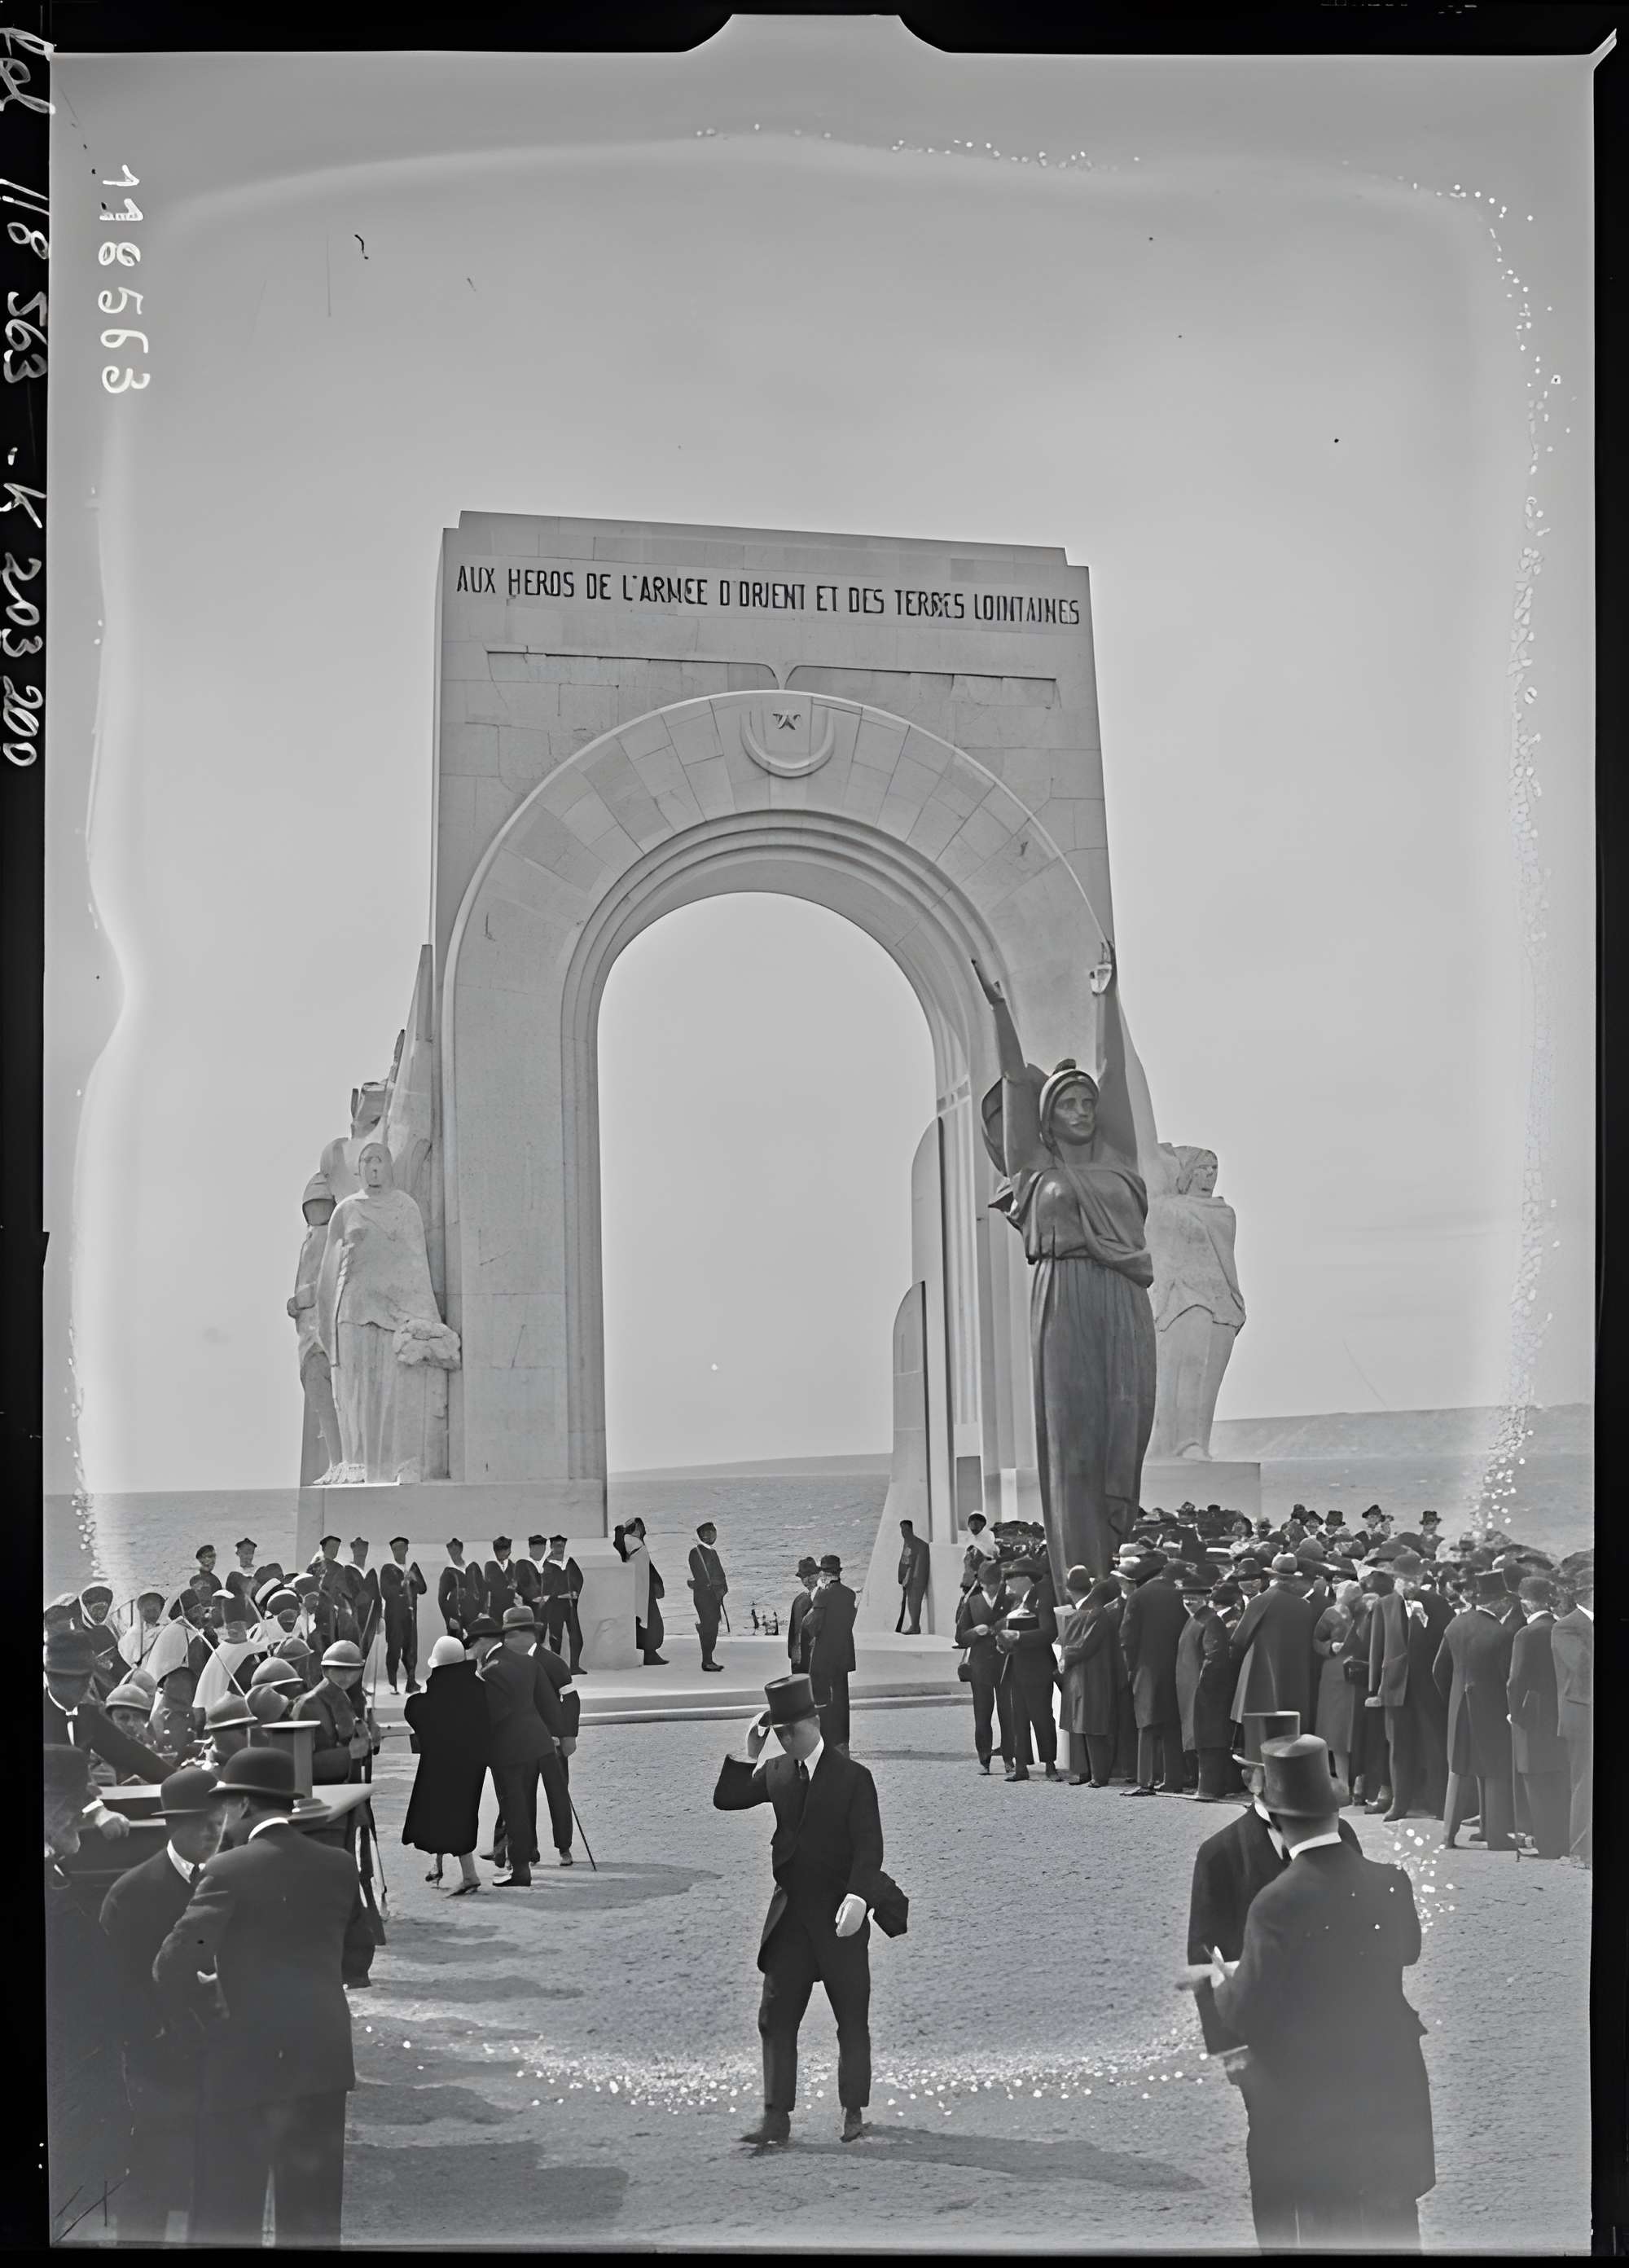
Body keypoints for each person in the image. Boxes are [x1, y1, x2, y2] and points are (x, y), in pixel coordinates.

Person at [1185, 1734, 1434, 2250]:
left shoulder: (1274, 1904)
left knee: (1325, 2216)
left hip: (1308, 2082)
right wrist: (1233, 2058)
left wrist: (1227, 1981)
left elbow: (1237, 1996)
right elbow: (1401, 1949)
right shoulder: (1391, 1880)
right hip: (1378, 2071)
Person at [973, 945, 1156, 1580]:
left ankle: (1120, 1558)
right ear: (1048, 1120)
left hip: (1123, 1302)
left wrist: (1106, 998)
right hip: (1061, 1300)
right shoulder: (1034, 1171)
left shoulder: (1120, 1161)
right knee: (1072, 1441)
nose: (1080, 1111)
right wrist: (999, 1012)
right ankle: (1080, 1578)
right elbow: (1017, 1085)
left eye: (1086, 1104)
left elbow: (1115, 1074)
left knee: (1121, 1432)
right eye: (1067, 1105)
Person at [154, 1747, 375, 2245]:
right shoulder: (337, 1864)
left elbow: (174, 1960)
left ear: (245, 1806)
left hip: (244, 2060)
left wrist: (203, 2007)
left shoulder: (228, 1870)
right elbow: (359, 1951)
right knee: (314, 2213)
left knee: (230, 2208)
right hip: (321, 2055)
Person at [713, 1673, 887, 2147]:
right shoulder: (776, 1771)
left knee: (850, 2016)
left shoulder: (854, 1777)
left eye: (781, 1734)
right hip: (790, 1918)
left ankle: (853, 2108)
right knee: (775, 2015)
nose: (780, 1741)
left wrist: (859, 1897)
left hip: (838, 1917)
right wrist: (747, 1753)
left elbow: (869, 1850)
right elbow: (726, 1800)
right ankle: (776, 2117)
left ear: (799, 1730)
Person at [98, 1765, 227, 2240]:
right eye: (201, 1823)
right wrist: (158, 2034)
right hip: (162, 2057)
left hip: (224, 2048)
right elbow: (118, 1984)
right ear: (173, 1824)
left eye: (219, 1820)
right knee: (153, 2173)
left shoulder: (233, 1876)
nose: (214, 1831)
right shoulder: (132, 1893)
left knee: (216, 2181)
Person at [45, 1747, 135, 2244]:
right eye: (73, 1813)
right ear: (53, 1812)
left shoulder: (54, 1868)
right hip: (68, 2060)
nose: (78, 1823)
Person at [481, 1604, 569, 1886]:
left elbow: (562, 1703)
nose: (510, 1641)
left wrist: (565, 1735)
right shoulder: (501, 1664)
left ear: (529, 1635)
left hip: (546, 1744)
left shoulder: (550, 1662)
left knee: (556, 1795)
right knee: (519, 1801)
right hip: (529, 1745)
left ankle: (562, 1846)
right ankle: (517, 1852)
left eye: (514, 1635)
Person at [1434, 1568, 1517, 1852]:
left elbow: (1438, 1670)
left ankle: (1448, 1835)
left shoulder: (1455, 1625)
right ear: (1496, 1601)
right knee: (1492, 1768)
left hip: (1458, 1706)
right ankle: (1494, 1835)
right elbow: (1508, 1679)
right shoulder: (1501, 1633)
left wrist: (1452, 1698)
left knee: (1457, 1770)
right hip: (1491, 1708)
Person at [404, 1633, 492, 1892]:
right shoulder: (478, 1688)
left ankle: (470, 1876)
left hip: (440, 1766)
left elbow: (415, 1711)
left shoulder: (435, 1694)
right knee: (455, 1814)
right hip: (471, 1765)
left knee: (447, 1817)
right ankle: (438, 1865)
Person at [44, 1624, 168, 1784]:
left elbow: (131, 1753)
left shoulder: (87, 1715)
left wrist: (179, 1779)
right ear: (52, 1677)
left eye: (88, 1676)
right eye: (78, 1677)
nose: (86, 1684)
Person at [1505, 1575, 1568, 1859]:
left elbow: (1515, 1681)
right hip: (1560, 1711)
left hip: (1532, 1714)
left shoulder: (1525, 1635)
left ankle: (1546, 1843)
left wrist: (1513, 1713)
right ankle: (1563, 1840)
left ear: (1526, 1603)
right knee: (1558, 1777)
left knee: (1535, 1779)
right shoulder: (1560, 1628)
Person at [1227, 1552, 1319, 1732]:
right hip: (1295, 1682)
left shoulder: (1260, 1602)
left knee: (1258, 1742)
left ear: (1271, 1576)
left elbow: (1238, 1642)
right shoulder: (1304, 1606)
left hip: (1260, 1681)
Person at [1118, 1550, 1185, 1797]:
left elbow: (1127, 1637)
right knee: (1172, 1725)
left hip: (1147, 1667)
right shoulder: (1178, 1594)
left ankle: (1145, 1780)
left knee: (1146, 1726)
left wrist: (1131, 1666)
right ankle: (1173, 1778)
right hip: (1176, 1666)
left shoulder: (1139, 1596)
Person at [995, 1558, 1060, 1781]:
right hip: (1016, 1665)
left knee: (1042, 1716)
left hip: (1038, 1667)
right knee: (1018, 1718)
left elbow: (1049, 1632)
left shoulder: (1041, 1597)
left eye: (1011, 1578)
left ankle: (1050, 1764)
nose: (1008, 1583)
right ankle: (1021, 1765)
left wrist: (1019, 1636)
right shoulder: (1015, 1601)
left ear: (1024, 1579)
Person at [1056, 1571, 1122, 1787]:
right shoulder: (1092, 1611)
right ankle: (1087, 1772)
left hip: (1090, 1675)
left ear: (1068, 1590)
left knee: (1091, 1726)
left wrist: (1065, 1655)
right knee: (1082, 1725)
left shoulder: (1094, 1612)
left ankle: (1097, 1774)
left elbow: (1085, 1645)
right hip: (1083, 1675)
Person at [1175, 1570, 1234, 1800]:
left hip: (1205, 1694)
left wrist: (1203, 1686)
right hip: (1192, 1692)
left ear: (1205, 1598)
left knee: (1208, 1741)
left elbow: (1215, 1657)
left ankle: (1210, 1787)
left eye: (1193, 1597)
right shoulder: (1195, 1619)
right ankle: (1206, 1785)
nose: (1188, 1601)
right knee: (1199, 1741)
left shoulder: (1211, 1620)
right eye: (1185, 1597)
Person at [955, 1554, 1015, 1774]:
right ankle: (985, 1758)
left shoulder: (1009, 1601)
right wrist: (974, 1632)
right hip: (980, 1665)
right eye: (987, 1585)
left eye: (995, 1584)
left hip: (1004, 1663)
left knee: (1007, 1713)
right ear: (980, 1583)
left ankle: (1009, 1758)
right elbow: (960, 1636)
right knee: (982, 1715)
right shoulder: (972, 1602)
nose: (991, 1589)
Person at [1549, 1569, 1592, 1867]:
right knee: (1585, 1781)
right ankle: (1581, 1849)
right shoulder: (1566, 1628)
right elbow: (1582, 1665)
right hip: (1581, 1713)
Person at [296, 1639, 380, 1784]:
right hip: (315, 1778)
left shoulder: (342, 1696)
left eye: (353, 1671)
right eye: (339, 1670)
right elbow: (303, 1761)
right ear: (325, 1671)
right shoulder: (310, 1703)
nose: (346, 1677)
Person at [803, 1554, 858, 1752]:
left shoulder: (822, 1595)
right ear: (839, 1573)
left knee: (822, 1698)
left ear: (824, 1574)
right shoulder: (849, 1594)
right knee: (842, 1698)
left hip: (824, 1654)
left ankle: (827, 1739)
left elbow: (812, 1625)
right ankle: (843, 1739)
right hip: (843, 1653)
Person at [1311, 1580, 1362, 1790]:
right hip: (1336, 1673)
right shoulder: (1330, 1614)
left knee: (1352, 1729)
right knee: (1336, 1730)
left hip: (1358, 1672)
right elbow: (1316, 1640)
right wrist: (1330, 1647)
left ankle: (1352, 1784)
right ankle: (1343, 1784)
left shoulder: (1366, 1613)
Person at [380, 1534, 428, 1694]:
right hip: (394, 1617)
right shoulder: (388, 1569)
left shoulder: (412, 1568)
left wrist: (414, 1578)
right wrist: (403, 1583)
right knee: (394, 1648)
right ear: (392, 1550)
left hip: (411, 1616)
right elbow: (386, 1593)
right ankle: (392, 1683)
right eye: (395, 1549)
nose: (399, 1551)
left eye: (401, 1548)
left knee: (411, 1649)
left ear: (407, 1549)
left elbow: (423, 1589)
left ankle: (411, 1682)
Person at [617, 1517, 668, 1664]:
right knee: (650, 1623)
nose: (640, 1530)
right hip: (640, 1592)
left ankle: (650, 1653)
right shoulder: (630, 1542)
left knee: (651, 1623)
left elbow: (647, 1567)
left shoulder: (634, 1543)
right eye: (637, 1527)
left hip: (644, 1591)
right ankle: (649, 1654)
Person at [539, 1535, 585, 1672]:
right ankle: (556, 1668)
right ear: (552, 1547)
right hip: (555, 1605)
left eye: (562, 1545)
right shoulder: (547, 1565)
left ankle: (575, 1666)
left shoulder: (569, 1562)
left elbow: (579, 1578)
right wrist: (559, 1593)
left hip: (570, 1604)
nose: (560, 1548)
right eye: (557, 1545)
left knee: (577, 1637)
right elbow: (546, 1585)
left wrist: (575, 1591)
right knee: (555, 1638)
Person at [689, 1522, 730, 1671]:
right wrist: (717, 1585)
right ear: (702, 1536)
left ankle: (709, 1659)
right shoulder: (696, 1553)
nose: (712, 1535)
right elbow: (701, 1578)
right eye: (708, 1533)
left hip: (713, 1597)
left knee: (712, 1628)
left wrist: (722, 1588)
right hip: (705, 1597)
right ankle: (706, 1661)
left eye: (714, 1532)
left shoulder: (712, 1552)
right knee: (709, 1628)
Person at [438, 1537, 485, 1640]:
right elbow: (442, 1599)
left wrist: (483, 1611)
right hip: (457, 1616)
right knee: (458, 1644)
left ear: (461, 1550)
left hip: (475, 1613)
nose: (453, 1553)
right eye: (450, 1550)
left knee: (477, 1641)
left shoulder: (473, 1567)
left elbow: (483, 1589)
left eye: (455, 1549)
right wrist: (449, 1618)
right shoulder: (448, 1573)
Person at [118, 1586, 169, 1675]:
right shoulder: (132, 1635)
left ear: (161, 1607)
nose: (150, 1610)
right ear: (140, 1610)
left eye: (154, 1607)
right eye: (147, 1608)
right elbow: (125, 1660)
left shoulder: (171, 1630)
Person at [894, 1520, 930, 1634]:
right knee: (911, 1602)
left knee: (914, 1602)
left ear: (910, 1529)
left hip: (915, 1580)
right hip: (908, 1580)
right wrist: (901, 1577)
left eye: (905, 1529)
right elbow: (905, 1561)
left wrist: (908, 1579)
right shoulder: (908, 1542)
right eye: (902, 1529)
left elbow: (914, 1565)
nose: (903, 1532)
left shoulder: (919, 1544)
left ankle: (914, 1626)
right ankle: (914, 1625)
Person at [788, 1558, 819, 1672]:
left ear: (818, 1575)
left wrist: (793, 1654)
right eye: (804, 1577)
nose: (807, 1581)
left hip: (801, 1657)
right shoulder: (800, 1600)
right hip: (807, 1657)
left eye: (810, 1576)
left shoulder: (799, 1600)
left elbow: (793, 1633)